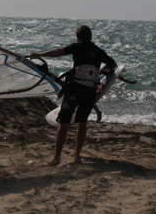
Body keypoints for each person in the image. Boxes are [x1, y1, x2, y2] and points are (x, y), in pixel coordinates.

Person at [29, 25, 117, 166]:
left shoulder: (77, 47)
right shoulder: (98, 51)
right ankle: (77, 157)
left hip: (75, 89)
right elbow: (113, 64)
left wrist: (39, 54)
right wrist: (100, 72)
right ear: (90, 37)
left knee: (63, 122)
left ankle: (57, 158)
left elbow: (59, 52)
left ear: (78, 37)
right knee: (82, 122)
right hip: (89, 91)